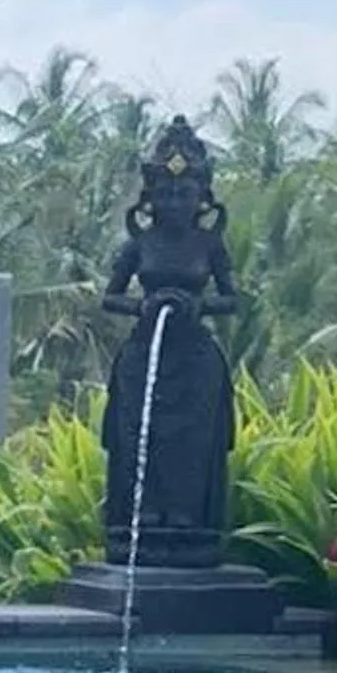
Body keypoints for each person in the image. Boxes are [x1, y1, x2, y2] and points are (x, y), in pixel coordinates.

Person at [99, 116, 240, 567]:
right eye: (166, 193)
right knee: (140, 432)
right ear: (151, 197)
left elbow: (233, 299)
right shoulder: (139, 245)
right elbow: (110, 296)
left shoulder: (209, 246)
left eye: (184, 193)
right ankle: (142, 516)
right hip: (145, 355)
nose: (175, 201)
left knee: (193, 440)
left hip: (196, 359)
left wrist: (199, 306)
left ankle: (187, 518)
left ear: (201, 197)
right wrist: (143, 305)